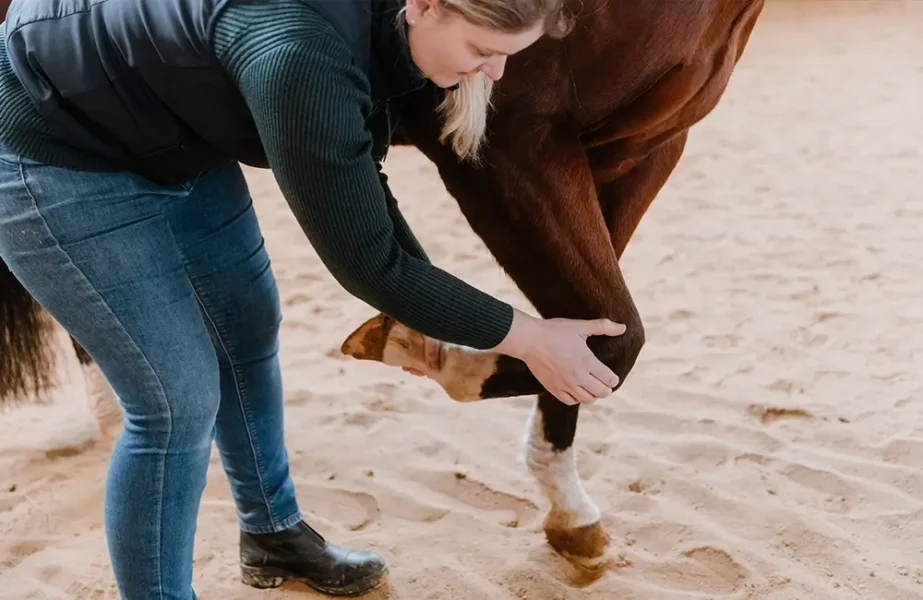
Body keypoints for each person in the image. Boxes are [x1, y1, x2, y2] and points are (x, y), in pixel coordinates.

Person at [0, 0, 625, 597]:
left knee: (247, 330)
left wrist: (433, 311)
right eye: (484, 50)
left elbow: (358, 180)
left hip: (170, 135)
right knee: (175, 402)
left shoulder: (381, 28)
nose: (494, 71)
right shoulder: (298, 54)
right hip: (58, 155)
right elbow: (369, 264)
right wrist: (530, 337)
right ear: (425, 5)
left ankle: (273, 536)